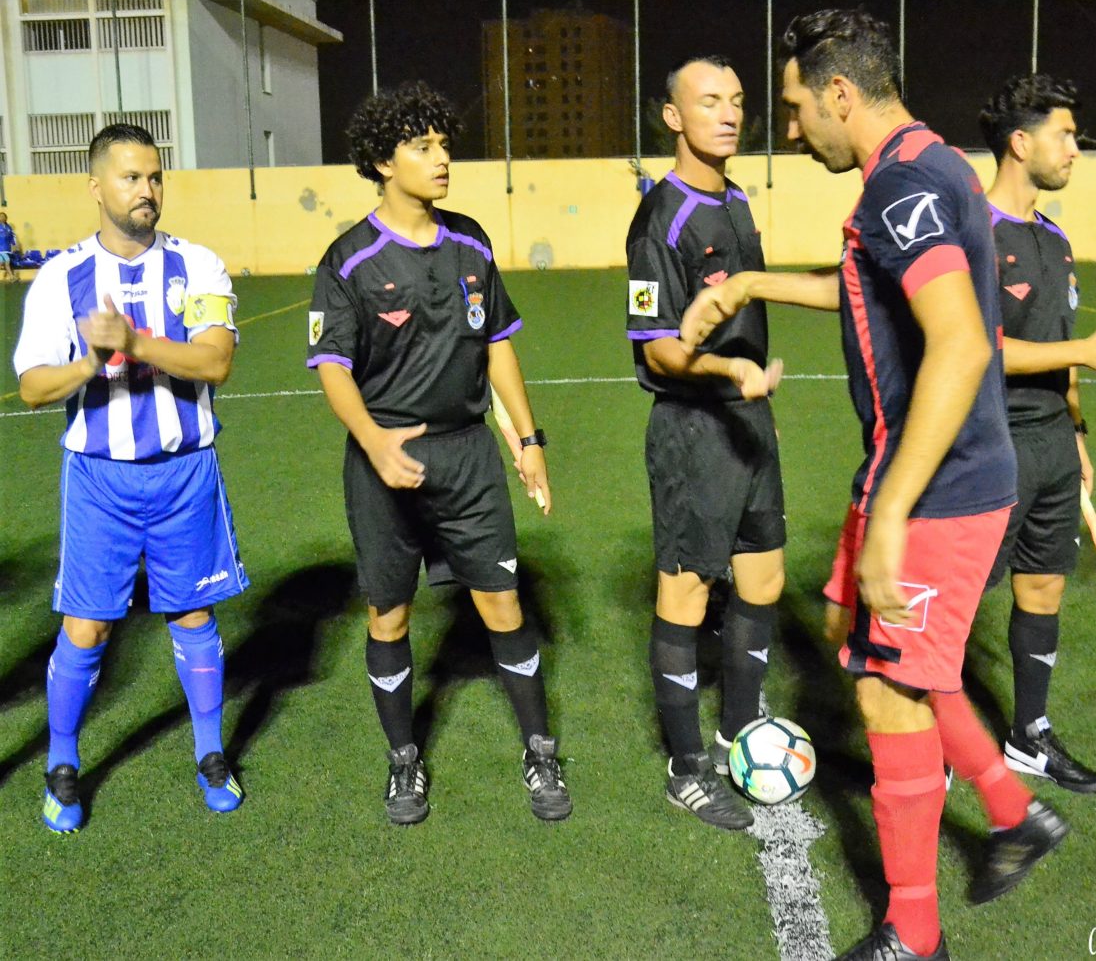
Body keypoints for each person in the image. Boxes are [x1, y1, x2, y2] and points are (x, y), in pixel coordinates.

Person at [681, 11, 1067, 960]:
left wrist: (892, 513)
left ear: (841, 93)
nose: (790, 126)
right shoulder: (926, 163)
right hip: (907, 469)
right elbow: (865, 282)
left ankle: (914, 932)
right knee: (857, 640)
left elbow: (962, 342)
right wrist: (749, 286)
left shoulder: (903, 184)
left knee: (891, 693)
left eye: (796, 106)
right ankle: (1013, 812)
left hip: (939, 483)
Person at [307, 81, 571, 826]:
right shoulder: (349, 260)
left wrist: (527, 441)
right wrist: (373, 441)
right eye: (422, 147)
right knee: (388, 615)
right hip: (385, 459)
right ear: (382, 162)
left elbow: (497, 345)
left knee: (503, 603)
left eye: (444, 144)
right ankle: (403, 761)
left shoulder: (471, 242)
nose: (442, 157)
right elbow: (332, 367)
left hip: (468, 456)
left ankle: (540, 748)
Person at [13, 123, 249, 834]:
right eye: (131, 177)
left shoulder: (198, 265)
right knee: (85, 627)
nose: (147, 190)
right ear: (96, 187)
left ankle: (210, 754)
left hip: (185, 472)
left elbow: (216, 362)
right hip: (99, 480)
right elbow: (31, 387)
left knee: (194, 614)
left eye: (154, 177)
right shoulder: (61, 277)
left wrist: (135, 343)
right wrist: (90, 362)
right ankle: (62, 763)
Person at [978, 75, 1096, 797]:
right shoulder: (972, 233)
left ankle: (1029, 734)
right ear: (1019, 143)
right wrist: (1084, 351)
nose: (1075, 149)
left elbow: (1061, 347)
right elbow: (975, 348)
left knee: (1044, 586)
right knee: (958, 598)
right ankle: (928, 734)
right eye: (1064, 134)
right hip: (989, 444)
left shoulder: (1054, 239)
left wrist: (1077, 431)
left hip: (1053, 442)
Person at [625, 56, 785, 832]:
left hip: (750, 424)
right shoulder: (660, 217)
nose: (728, 114)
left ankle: (737, 734)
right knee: (686, 594)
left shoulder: (738, 199)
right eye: (709, 101)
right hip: (694, 430)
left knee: (763, 579)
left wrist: (750, 388)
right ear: (673, 117)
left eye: (737, 101)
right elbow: (658, 348)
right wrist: (730, 370)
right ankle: (687, 769)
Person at [0, 211, 21, 281]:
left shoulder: (8, 227)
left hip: (7, 248)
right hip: (1, 248)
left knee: (2, 263)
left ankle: (12, 277)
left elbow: (12, 236)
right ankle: (12, 277)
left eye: (3, 216)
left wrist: (14, 245)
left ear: (6, 218)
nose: (2, 218)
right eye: (1, 216)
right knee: (7, 262)